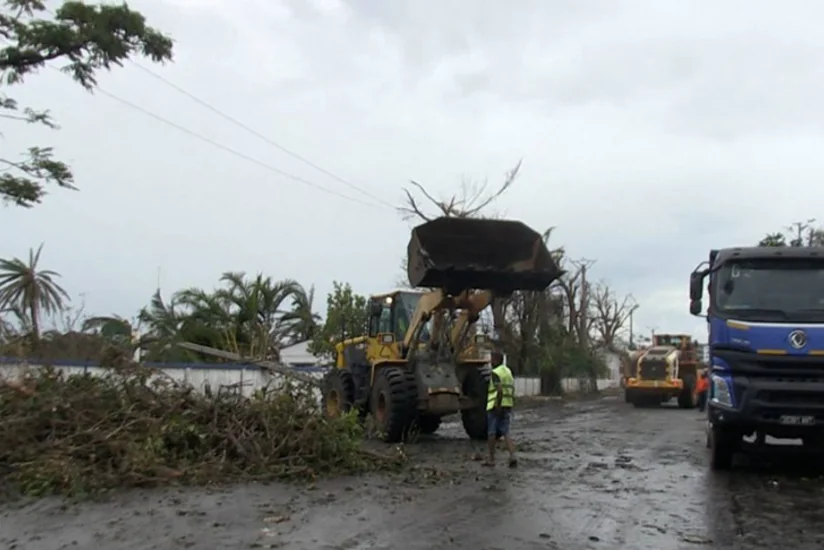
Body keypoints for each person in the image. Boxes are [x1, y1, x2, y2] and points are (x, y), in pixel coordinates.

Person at [483, 350, 517, 468]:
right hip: (507, 405)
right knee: (506, 432)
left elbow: (500, 390)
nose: (490, 361)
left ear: (496, 360)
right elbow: (511, 389)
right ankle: (513, 456)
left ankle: (491, 459)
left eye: (492, 359)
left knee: (491, 432)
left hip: (495, 406)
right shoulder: (508, 371)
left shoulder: (495, 373)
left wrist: (497, 405)